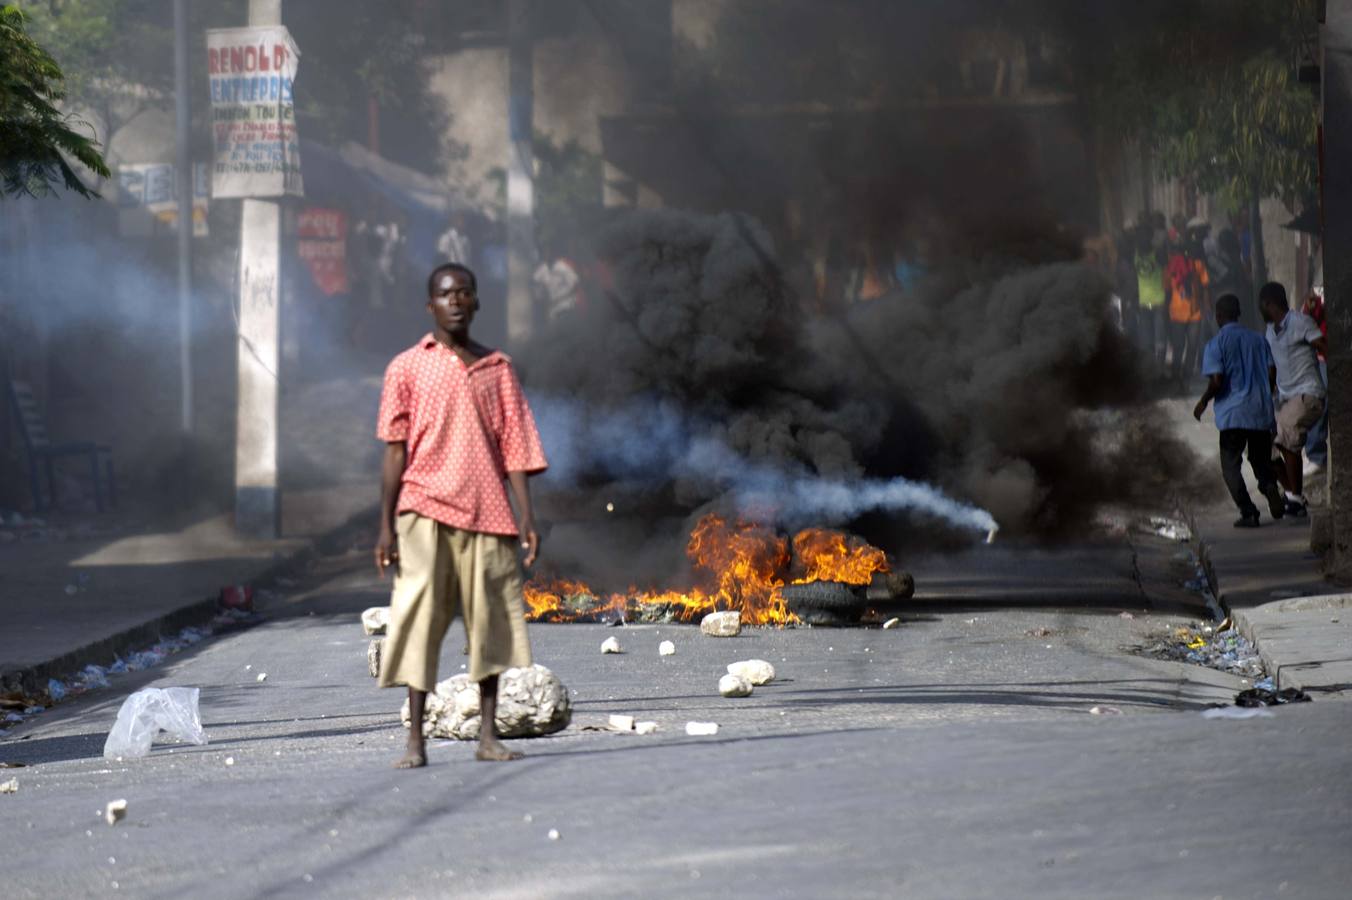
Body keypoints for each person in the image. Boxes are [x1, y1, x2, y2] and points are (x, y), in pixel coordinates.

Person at [375, 262, 548, 768]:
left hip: (489, 513)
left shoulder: (498, 368)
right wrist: (384, 526)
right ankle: (415, 742)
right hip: (422, 508)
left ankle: (488, 736)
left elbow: (515, 447)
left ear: (476, 303)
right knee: (418, 617)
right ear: (430, 305)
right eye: (445, 294)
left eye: (464, 293)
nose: (455, 301)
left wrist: (528, 518)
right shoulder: (406, 367)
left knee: (490, 623)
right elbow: (393, 451)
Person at [1193, 294, 1286, 527]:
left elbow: (1216, 380)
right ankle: (1269, 487)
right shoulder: (1258, 339)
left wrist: (1204, 401)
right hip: (1259, 412)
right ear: (1238, 314)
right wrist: (1265, 393)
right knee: (1260, 460)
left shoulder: (1216, 344)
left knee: (1230, 467)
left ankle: (1249, 512)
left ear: (1219, 316)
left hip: (1233, 415)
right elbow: (1272, 373)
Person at [1259, 281, 1329, 516]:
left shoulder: (1301, 322)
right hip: (1285, 397)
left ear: (1271, 303)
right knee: (1264, 444)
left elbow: (1322, 344)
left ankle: (1296, 497)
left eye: (1263, 305)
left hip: (1308, 393)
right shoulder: (1270, 331)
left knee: (1287, 431)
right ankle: (1293, 496)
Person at [1166, 232, 1209, 383]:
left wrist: (1205, 306)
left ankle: (1185, 376)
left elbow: (1205, 285)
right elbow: (1166, 288)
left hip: (1194, 312)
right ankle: (1177, 376)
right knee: (1180, 347)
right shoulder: (1171, 267)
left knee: (1191, 347)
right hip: (1178, 313)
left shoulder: (1197, 264)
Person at [1301, 288, 1329, 473]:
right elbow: (1309, 315)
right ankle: (1314, 454)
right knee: (1316, 402)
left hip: (1329, 357)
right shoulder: (1319, 296)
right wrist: (1311, 306)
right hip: (1321, 357)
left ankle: (1316, 455)